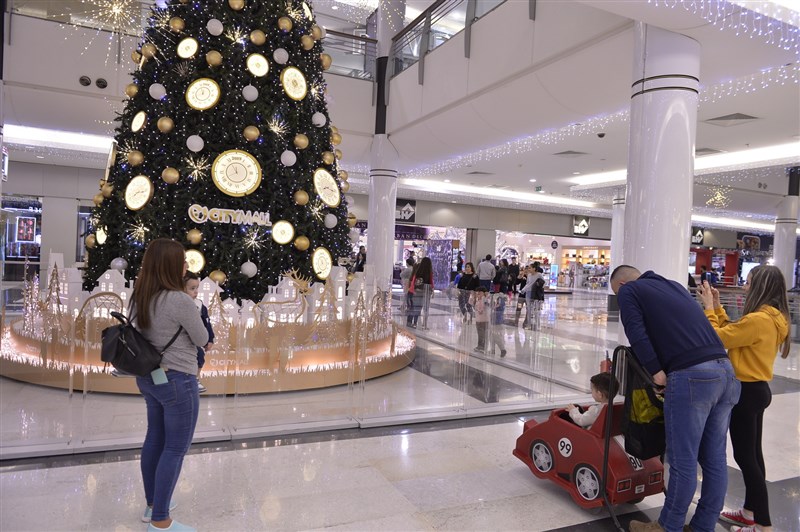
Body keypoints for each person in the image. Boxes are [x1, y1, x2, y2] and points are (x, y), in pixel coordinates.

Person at [610, 265, 740, 532]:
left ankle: (667, 527)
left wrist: (657, 372)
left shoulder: (629, 291)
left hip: (692, 375)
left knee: (683, 460)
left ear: (621, 285)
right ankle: (703, 525)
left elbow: (635, 330)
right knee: (714, 458)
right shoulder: (675, 286)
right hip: (726, 372)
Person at [698, 265, 789, 532]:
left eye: (748, 283)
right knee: (753, 456)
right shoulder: (773, 317)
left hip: (746, 392)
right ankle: (750, 512)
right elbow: (735, 333)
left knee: (746, 459)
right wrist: (717, 306)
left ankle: (763, 525)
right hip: (758, 390)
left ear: (760, 286)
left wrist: (707, 309)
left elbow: (716, 337)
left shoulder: (759, 319)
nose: (744, 287)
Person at [132, 239, 210, 532]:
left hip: (149, 377)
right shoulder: (178, 299)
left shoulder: (140, 295)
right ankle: (161, 520)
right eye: (182, 261)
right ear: (169, 265)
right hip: (178, 378)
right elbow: (202, 338)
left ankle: (152, 504)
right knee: (175, 448)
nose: (186, 266)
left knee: (155, 438)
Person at [183, 272, 215, 394]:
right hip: (183, 340)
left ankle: (195, 378)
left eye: (197, 288)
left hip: (196, 339)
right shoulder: (179, 303)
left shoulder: (200, 305)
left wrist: (210, 339)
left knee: (199, 356)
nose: (196, 292)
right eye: (192, 288)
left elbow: (207, 323)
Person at [407, 256, 433, 329]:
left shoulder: (418, 271)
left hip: (417, 292)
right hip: (426, 292)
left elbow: (413, 280)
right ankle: (420, 324)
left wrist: (411, 289)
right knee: (423, 308)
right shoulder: (429, 272)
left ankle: (410, 322)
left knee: (415, 307)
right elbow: (431, 282)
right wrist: (432, 290)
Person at [471, 287, 490, 352]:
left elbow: (482, 309)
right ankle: (480, 346)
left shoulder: (484, 300)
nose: (478, 294)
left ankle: (482, 347)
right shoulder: (477, 300)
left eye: (480, 292)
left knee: (482, 334)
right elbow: (470, 303)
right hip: (478, 320)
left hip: (483, 320)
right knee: (480, 334)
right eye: (477, 292)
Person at [489, 292, 507, 357]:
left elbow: (496, 306)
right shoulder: (499, 298)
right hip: (495, 320)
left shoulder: (500, 299)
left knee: (496, 336)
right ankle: (492, 349)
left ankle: (503, 349)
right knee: (491, 336)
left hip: (497, 321)